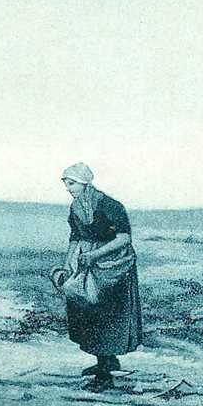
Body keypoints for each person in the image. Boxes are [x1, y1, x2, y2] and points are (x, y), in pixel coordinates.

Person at [60, 162, 143, 392]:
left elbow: (124, 238)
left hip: (113, 265)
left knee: (109, 314)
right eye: (66, 184)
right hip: (86, 263)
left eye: (72, 183)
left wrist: (95, 254)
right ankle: (102, 363)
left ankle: (107, 373)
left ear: (85, 182)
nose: (68, 188)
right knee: (88, 313)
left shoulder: (109, 205)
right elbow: (75, 237)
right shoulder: (75, 208)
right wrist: (69, 262)